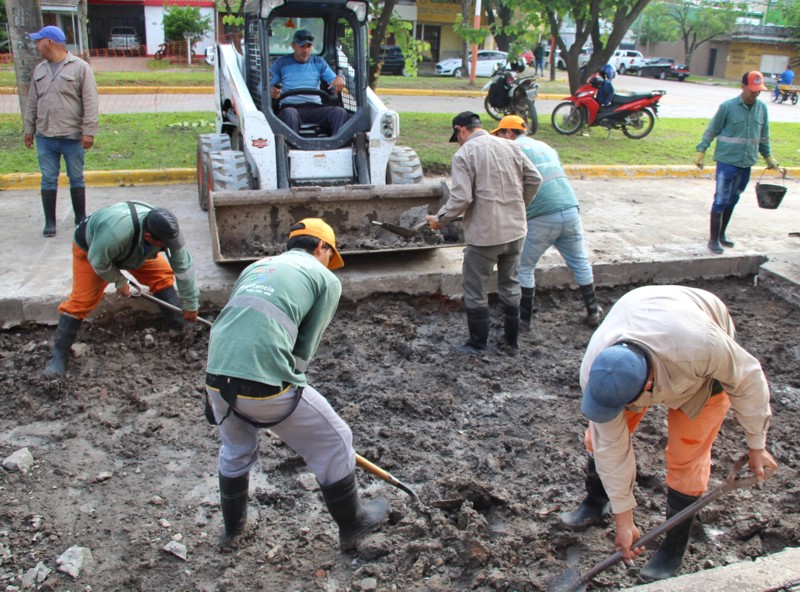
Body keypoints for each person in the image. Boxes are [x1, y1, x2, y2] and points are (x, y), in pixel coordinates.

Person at [559, 285, 778, 582]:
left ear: (646, 387)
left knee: (686, 455)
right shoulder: (598, 367)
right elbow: (611, 444)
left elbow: (748, 380)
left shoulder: (704, 346)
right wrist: (625, 520)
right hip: (643, 317)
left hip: (699, 360)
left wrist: (756, 444)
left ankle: (673, 549)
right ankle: (595, 502)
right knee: (599, 436)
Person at [205, 218, 388, 552]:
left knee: (235, 450)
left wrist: (214, 393)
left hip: (216, 379)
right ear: (322, 247)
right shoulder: (325, 279)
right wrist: (294, 383)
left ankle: (233, 531)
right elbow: (304, 349)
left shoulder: (258, 267)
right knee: (336, 440)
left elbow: (234, 324)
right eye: (329, 256)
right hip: (265, 383)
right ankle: (354, 526)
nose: (329, 263)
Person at [425, 112, 542, 354]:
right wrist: (518, 207)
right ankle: (512, 341)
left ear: (461, 130)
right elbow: (534, 179)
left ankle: (478, 343)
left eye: (457, 136)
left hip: (486, 235)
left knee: (474, 287)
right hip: (516, 230)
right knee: (510, 284)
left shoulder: (464, 154)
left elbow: (461, 198)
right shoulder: (510, 146)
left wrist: (439, 220)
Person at [43, 203, 199, 377]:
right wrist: (119, 281)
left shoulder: (167, 231)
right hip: (93, 250)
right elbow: (98, 261)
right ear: (149, 236)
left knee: (161, 276)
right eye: (165, 245)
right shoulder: (114, 234)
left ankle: (179, 325)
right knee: (82, 301)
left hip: (135, 251)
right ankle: (59, 356)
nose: (170, 247)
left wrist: (191, 303)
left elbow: (184, 268)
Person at [490, 115, 601, 327]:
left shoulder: (512, 149)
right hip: (570, 210)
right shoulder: (546, 146)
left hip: (542, 216)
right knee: (579, 262)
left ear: (510, 133)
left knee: (524, 266)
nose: (500, 139)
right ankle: (593, 310)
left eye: (501, 134)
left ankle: (524, 320)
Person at [23, 26, 98, 238]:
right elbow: (32, 102)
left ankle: (80, 217)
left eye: (39, 41)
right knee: (48, 178)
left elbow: (90, 102)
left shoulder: (80, 68)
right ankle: (50, 222)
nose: (36, 45)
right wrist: (29, 129)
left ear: (49, 42)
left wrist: (89, 131)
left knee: (76, 177)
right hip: (45, 136)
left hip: (72, 135)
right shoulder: (39, 69)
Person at [695, 71, 781, 255]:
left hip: (746, 162)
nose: (755, 94)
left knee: (733, 199)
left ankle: (722, 234)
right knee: (720, 199)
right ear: (742, 87)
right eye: (752, 90)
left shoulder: (761, 109)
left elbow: (763, 136)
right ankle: (713, 239)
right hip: (727, 161)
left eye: (758, 91)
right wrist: (701, 150)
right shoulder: (728, 107)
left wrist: (768, 157)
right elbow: (712, 130)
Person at [270, 29, 349, 136]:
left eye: (308, 46)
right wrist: (270, 90)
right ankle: (290, 148)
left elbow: (334, 80)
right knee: (290, 114)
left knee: (339, 112)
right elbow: (264, 86)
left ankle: (337, 147)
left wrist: (340, 78)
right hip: (291, 107)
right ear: (293, 46)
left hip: (315, 107)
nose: (306, 50)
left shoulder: (318, 62)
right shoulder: (281, 63)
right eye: (302, 46)